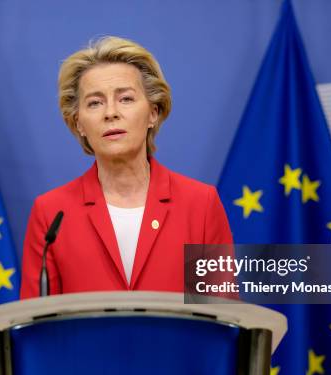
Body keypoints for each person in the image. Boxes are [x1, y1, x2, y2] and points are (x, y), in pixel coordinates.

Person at [20, 36, 233, 299]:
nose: (110, 113)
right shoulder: (51, 214)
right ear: (79, 124)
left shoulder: (200, 205)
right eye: (95, 103)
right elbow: (35, 327)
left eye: (126, 99)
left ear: (153, 113)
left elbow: (224, 318)